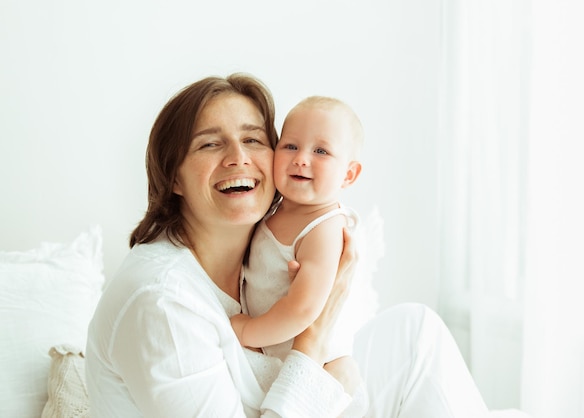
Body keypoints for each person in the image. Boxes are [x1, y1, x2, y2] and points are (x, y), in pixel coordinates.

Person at [85, 73, 490, 417]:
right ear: (173, 177)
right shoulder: (162, 304)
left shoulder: (268, 247)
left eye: (255, 140)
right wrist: (312, 337)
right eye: (211, 144)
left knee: (416, 332)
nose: (238, 157)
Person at [230, 95, 369, 415]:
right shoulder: (272, 210)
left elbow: (305, 307)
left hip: (327, 375)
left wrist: (249, 330)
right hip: (286, 360)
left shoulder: (325, 227)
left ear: (348, 175)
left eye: (321, 151)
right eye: (290, 146)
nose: (301, 159)